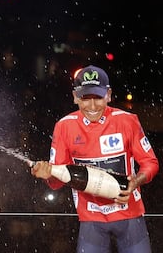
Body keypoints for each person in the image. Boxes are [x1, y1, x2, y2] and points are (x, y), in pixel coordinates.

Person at [30, 65, 159, 253]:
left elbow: (151, 163)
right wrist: (47, 174)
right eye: (85, 98)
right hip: (91, 220)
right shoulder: (64, 127)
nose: (92, 106)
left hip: (130, 215)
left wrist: (135, 181)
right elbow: (56, 183)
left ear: (108, 94)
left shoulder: (127, 120)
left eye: (98, 98)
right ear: (75, 96)